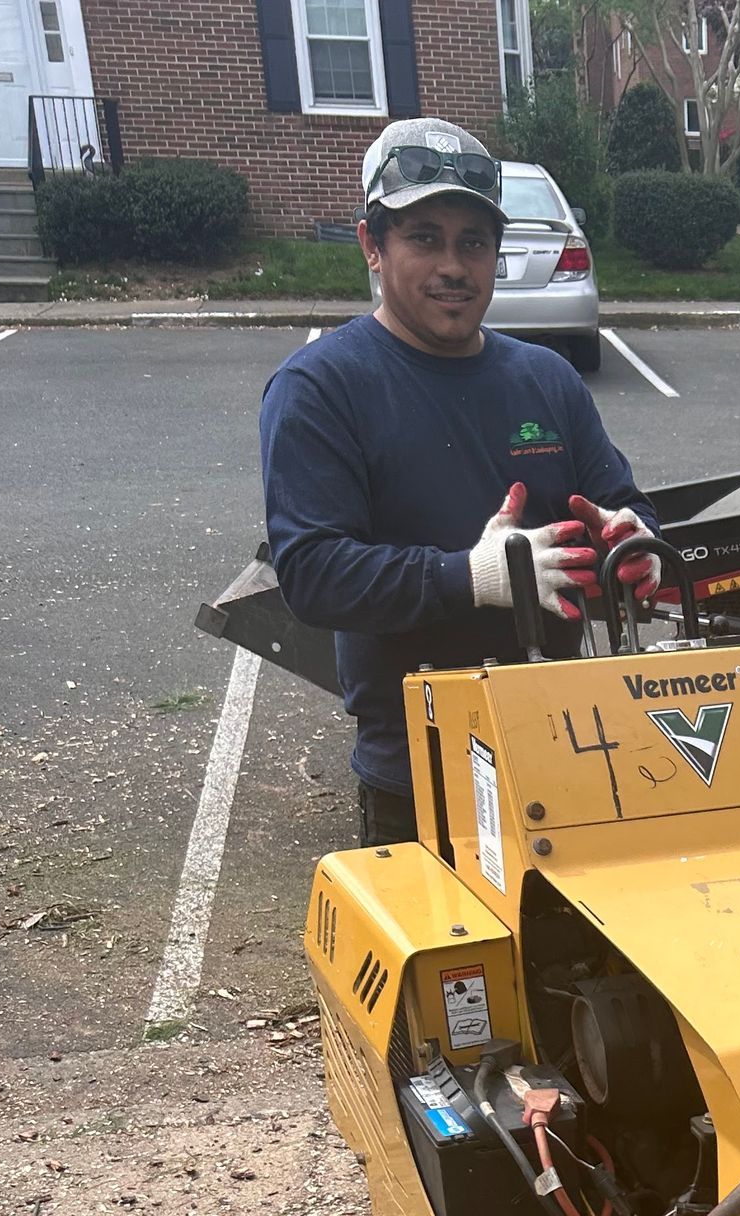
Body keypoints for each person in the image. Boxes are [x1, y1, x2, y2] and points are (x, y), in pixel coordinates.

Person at [260, 119, 660, 845]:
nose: (454, 264)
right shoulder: (322, 389)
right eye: (425, 237)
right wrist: (469, 577)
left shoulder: (545, 379)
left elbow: (622, 500)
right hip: (421, 773)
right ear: (372, 246)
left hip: (565, 747)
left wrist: (636, 540)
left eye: (473, 241)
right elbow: (312, 574)